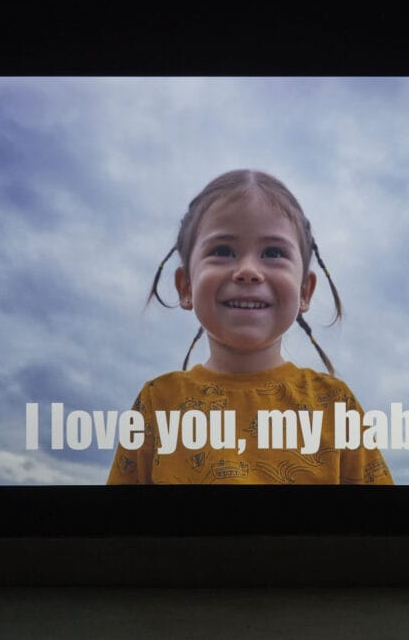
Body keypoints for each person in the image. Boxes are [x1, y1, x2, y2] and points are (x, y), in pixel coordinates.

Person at [106, 170, 394, 484]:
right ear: (185, 286)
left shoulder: (336, 407)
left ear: (304, 292)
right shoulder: (157, 403)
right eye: (222, 251)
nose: (247, 271)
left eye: (273, 253)